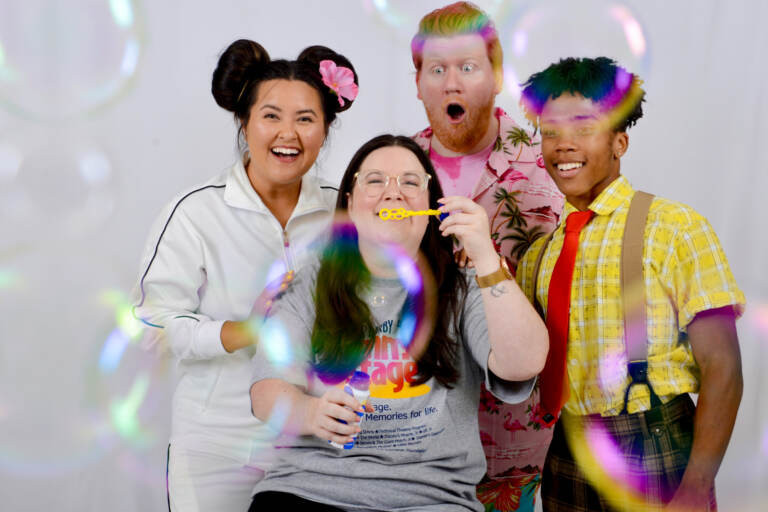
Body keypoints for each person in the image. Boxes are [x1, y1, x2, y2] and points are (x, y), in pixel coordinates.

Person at [248, 134, 549, 511]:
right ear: (350, 202)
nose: (393, 193)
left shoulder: (467, 285)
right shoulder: (308, 284)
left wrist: (486, 257)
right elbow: (265, 394)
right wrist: (311, 413)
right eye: (375, 181)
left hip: (431, 499)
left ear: (432, 206)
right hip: (308, 490)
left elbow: (525, 362)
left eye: (410, 182)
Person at [131, 39, 359, 511]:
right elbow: (152, 327)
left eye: (305, 118)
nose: (288, 133)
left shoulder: (348, 209)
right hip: (216, 443)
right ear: (244, 121)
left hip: (318, 443)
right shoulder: (194, 213)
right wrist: (244, 332)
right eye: (271, 115)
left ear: (326, 128)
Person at [516, 56, 745, 511]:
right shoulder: (539, 255)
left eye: (583, 128)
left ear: (620, 141)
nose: (563, 145)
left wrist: (697, 484)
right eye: (551, 131)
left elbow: (723, 367)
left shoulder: (674, 227)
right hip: (567, 449)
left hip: (656, 444)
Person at [410, 2, 564, 509]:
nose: (452, 83)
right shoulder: (394, 171)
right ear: (419, 84)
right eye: (438, 69)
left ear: (496, 76)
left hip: (523, 439)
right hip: (417, 439)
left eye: (468, 67)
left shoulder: (554, 164)